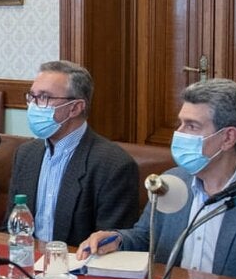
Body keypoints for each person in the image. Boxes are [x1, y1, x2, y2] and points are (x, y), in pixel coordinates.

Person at [78, 78, 236, 279]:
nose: (179, 133)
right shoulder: (171, 182)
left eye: (192, 126)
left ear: (228, 138)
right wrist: (117, 239)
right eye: (180, 123)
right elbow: (146, 237)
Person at [9, 60, 139, 247]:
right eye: (32, 97)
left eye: (44, 97)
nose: (34, 106)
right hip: (26, 259)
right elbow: (11, 228)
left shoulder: (114, 165)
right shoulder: (26, 154)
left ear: (75, 108)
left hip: (78, 262)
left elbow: (109, 246)